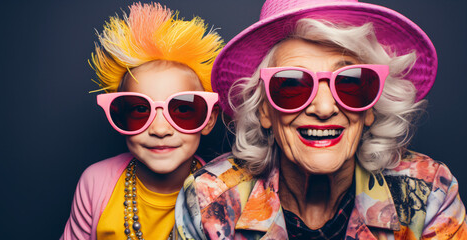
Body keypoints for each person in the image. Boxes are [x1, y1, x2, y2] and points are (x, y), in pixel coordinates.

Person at [175, 0, 467, 239]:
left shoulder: (430, 194)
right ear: (264, 110)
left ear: (370, 108)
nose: (325, 107)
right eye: (291, 84)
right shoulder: (208, 200)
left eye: (351, 83)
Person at [61, 2, 223, 239]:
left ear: (208, 119)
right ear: (118, 116)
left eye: (182, 109)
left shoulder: (226, 192)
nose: (159, 129)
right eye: (140, 109)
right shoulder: (95, 183)